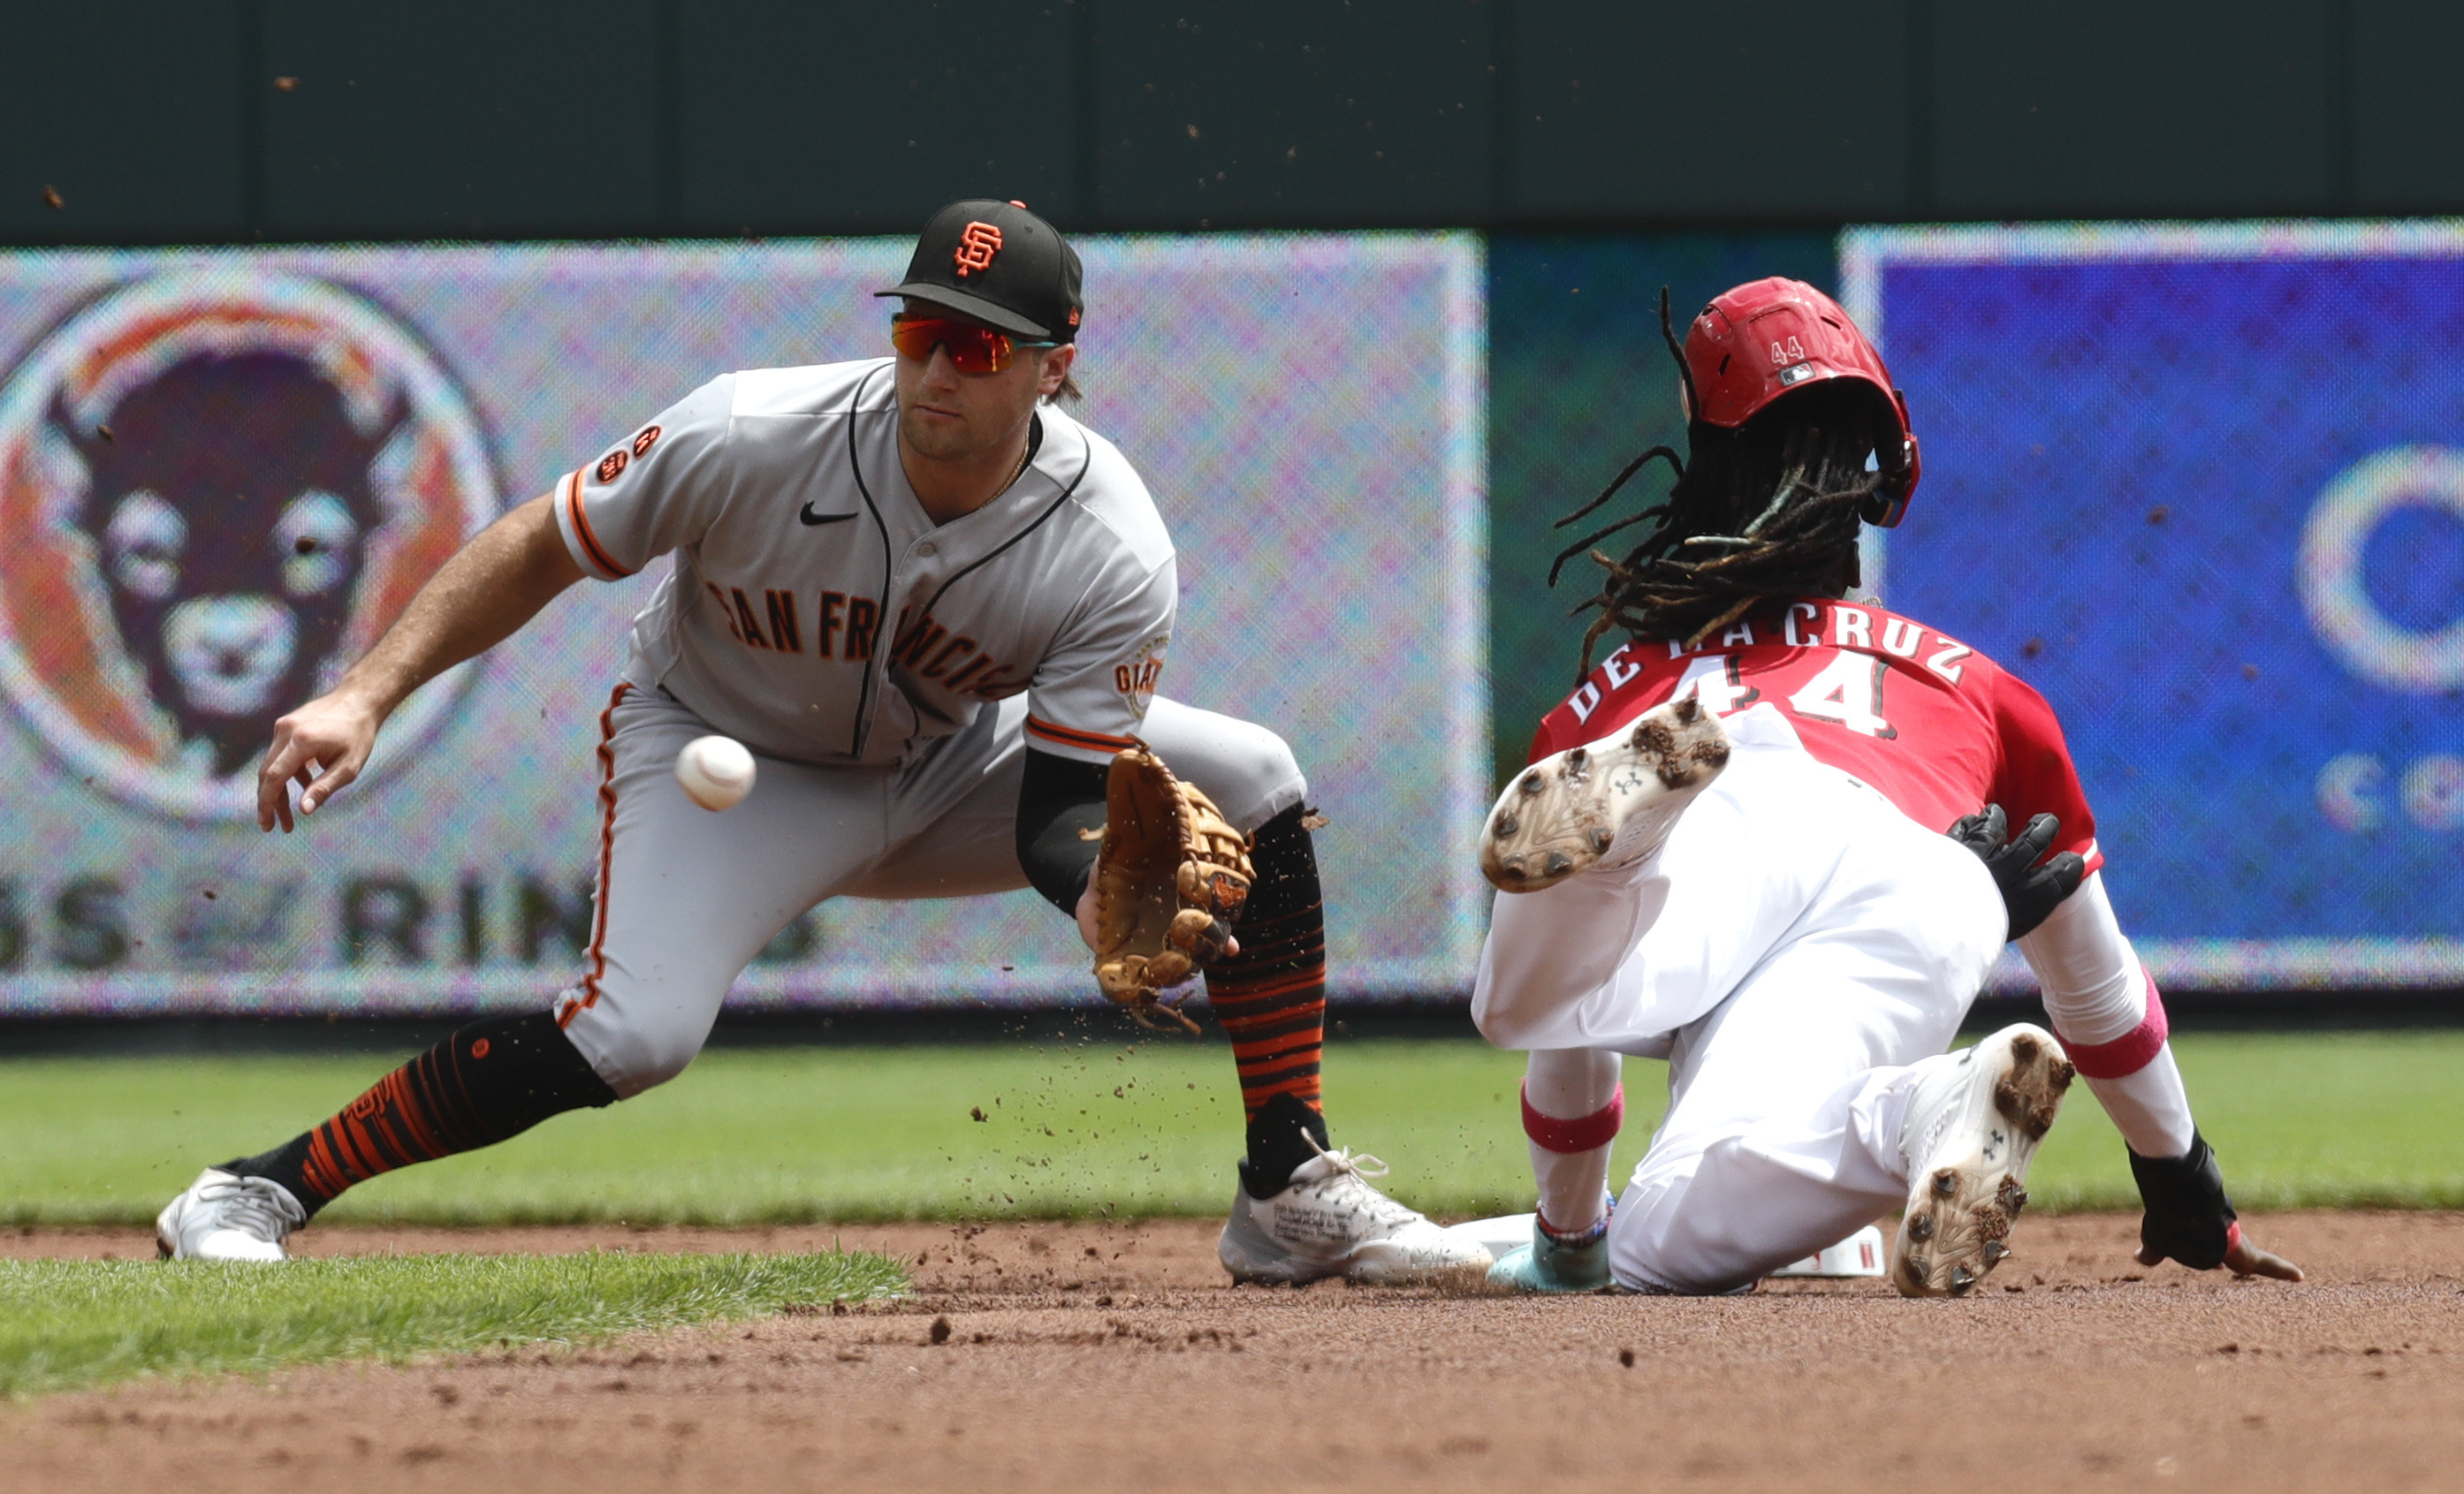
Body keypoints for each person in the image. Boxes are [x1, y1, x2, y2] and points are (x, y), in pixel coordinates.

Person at [153, 200, 1486, 1287]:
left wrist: (1096, 886)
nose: (940, 367)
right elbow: (540, 543)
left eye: (982, 346)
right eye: (922, 331)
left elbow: (1059, 802)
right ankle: (259, 1184)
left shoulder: (1111, 545)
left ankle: (1287, 1186)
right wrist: (366, 692)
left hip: (960, 757)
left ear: (1055, 365)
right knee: (635, 1033)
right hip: (725, 761)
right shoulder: (752, 429)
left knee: (1256, 774)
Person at [1473, 277, 2304, 1297]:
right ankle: (1933, 1103)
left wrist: (1564, 1238)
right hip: (1928, 878)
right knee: (1676, 1214)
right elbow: (2096, 983)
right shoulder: (1981, 688)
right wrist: (2180, 1175)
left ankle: (1620, 857)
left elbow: (1572, 1045)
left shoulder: (1619, 688)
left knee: (1532, 1004)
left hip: (1712, 823)